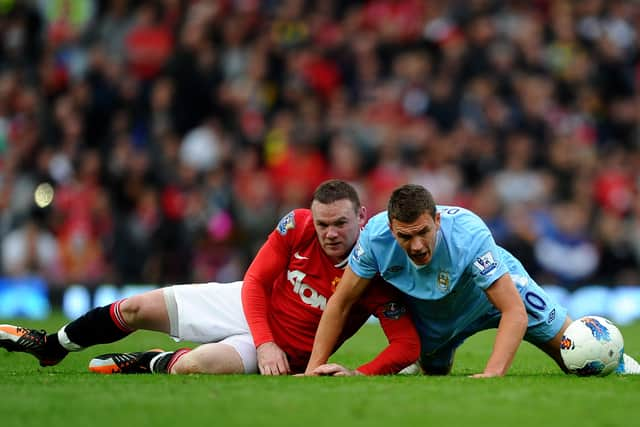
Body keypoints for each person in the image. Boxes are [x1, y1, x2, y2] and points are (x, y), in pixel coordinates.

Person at [0, 179, 419, 376]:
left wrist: (358, 374)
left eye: (340, 224)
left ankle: (149, 362)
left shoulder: (376, 272)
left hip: (287, 355)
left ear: (362, 217)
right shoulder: (298, 225)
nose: (329, 233)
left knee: (196, 368)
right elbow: (254, 282)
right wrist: (265, 339)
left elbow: (406, 344)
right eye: (324, 223)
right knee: (135, 306)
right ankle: (52, 346)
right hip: (249, 309)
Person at [305, 184, 640, 377]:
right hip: (437, 312)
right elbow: (342, 301)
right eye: (406, 237)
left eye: (424, 232)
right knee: (434, 372)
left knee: (575, 350)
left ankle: (621, 364)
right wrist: (312, 369)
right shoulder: (374, 239)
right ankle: (431, 356)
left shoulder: (468, 232)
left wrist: (492, 372)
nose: (418, 245)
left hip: (492, 294)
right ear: (392, 229)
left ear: (437, 220)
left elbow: (513, 311)